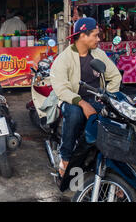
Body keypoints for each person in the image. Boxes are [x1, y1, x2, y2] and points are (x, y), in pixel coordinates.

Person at [50, 17, 122, 178]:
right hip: (72, 100)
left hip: (96, 99)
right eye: (95, 35)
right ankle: (66, 157)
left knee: (114, 120)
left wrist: (107, 97)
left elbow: (115, 76)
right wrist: (82, 103)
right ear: (83, 35)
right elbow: (61, 88)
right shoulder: (64, 59)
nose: (98, 39)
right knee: (74, 114)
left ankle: (114, 166)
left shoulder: (98, 54)